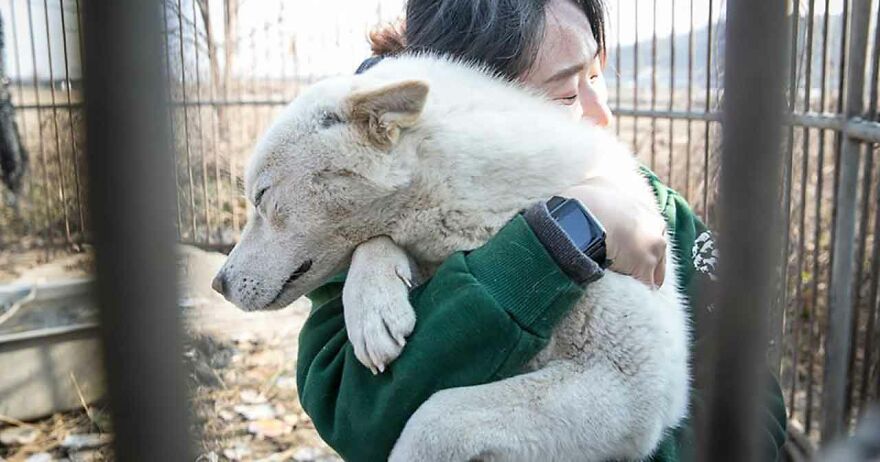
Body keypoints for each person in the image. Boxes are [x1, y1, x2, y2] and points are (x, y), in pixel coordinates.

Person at [296, 1, 788, 460]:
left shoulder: (655, 210)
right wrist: (562, 238)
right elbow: (353, 416)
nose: (603, 115)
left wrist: (589, 439)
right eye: (568, 92)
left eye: (598, 75)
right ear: (471, 103)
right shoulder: (373, 210)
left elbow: (755, 409)